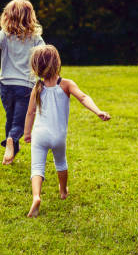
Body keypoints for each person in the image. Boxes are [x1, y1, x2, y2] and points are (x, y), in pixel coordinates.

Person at [23, 45, 111, 218]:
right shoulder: (66, 84)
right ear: (57, 63)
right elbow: (83, 97)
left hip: (39, 135)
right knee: (61, 163)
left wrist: (27, 133)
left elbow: (30, 112)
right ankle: (63, 190)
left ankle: (36, 197)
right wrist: (98, 111)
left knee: (37, 167)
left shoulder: (37, 87)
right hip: (58, 136)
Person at [0, 0, 45, 165]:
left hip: (6, 85)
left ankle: (10, 152)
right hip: (26, 86)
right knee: (20, 121)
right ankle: (11, 141)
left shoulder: (5, 34)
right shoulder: (35, 38)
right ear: (30, 16)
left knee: (11, 118)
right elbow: (44, 54)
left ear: (8, 15)